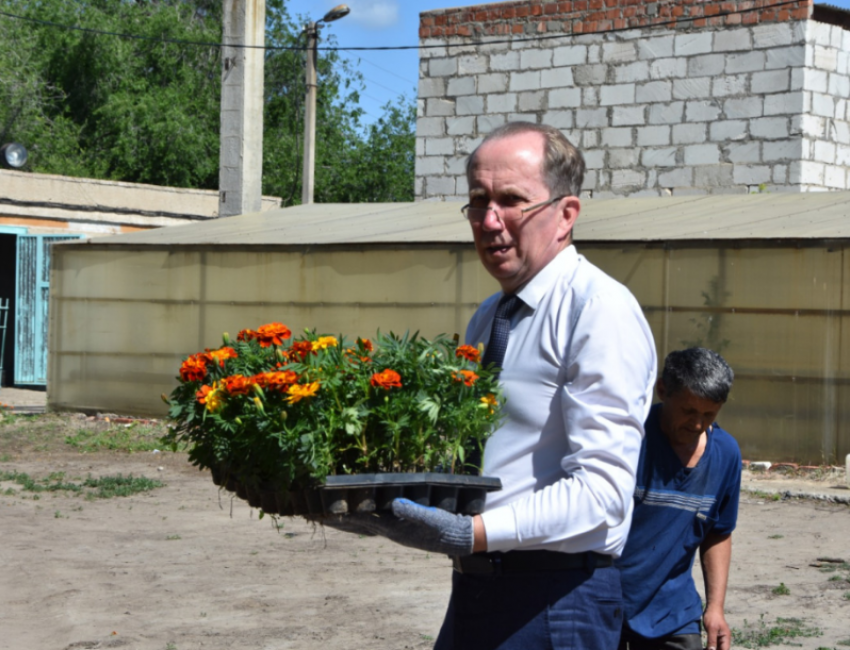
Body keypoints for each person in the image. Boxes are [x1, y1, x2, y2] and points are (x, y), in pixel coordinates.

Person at [326, 122, 657, 649]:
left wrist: (468, 533)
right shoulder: (491, 317)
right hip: (477, 589)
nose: (489, 220)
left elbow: (602, 497)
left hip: (555, 600)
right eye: (478, 201)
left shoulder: (597, 311)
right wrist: (383, 508)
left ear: (565, 215)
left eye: (511, 201)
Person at [617, 348, 740, 650]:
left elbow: (718, 532)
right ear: (662, 390)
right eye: (688, 411)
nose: (698, 424)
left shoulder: (725, 454)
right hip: (606, 600)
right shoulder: (628, 438)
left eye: (709, 414)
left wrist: (715, 608)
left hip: (672, 609)